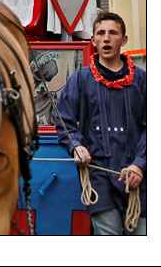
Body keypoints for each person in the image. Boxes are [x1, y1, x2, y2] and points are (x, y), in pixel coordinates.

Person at [55, 12, 146, 235]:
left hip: (138, 176)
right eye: (101, 33)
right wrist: (76, 146)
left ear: (123, 40)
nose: (106, 38)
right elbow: (64, 120)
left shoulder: (142, 80)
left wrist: (140, 164)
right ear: (93, 40)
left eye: (113, 33)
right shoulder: (80, 79)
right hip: (98, 176)